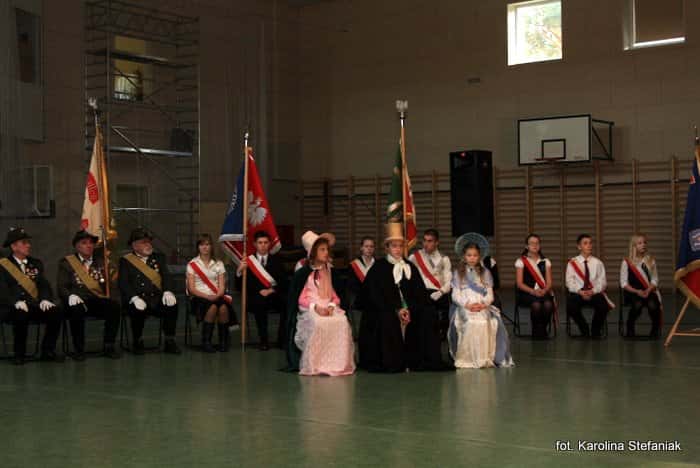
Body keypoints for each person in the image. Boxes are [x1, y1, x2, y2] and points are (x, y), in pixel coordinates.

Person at [358, 223, 447, 372]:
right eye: (394, 246)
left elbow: (418, 292)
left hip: (408, 307)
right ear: (387, 248)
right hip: (387, 308)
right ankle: (394, 360)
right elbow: (375, 295)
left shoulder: (409, 266)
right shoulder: (379, 267)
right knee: (386, 318)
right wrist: (397, 309)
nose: (398, 249)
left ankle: (418, 359)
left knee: (428, 314)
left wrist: (409, 308)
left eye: (400, 246)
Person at [288, 231, 355, 376]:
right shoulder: (304, 273)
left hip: (328, 306)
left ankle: (336, 363)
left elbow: (335, 296)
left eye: (327, 249)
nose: (326, 253)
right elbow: (300, 298)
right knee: (318, 322)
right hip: (310, 307)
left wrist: (331, 306)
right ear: (313, 252)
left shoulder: (329, 271)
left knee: (341, 321)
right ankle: (316, 363)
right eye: (322, 250)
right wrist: (315, 307)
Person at [0, 228, 63, 365]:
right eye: (24, 242)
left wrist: (45, 298)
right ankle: (19, 354)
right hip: (11, 307)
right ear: (13, 246)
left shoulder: (36, 263)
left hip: (33, 304)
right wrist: (15, 301)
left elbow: (43, 284)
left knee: (56, 312)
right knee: (20, 314)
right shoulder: (3, 265)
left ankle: (47, 351)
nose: (28, 245)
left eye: (28, 242)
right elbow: (2, 289)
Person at [56, 230, 121, 360]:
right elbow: (61, 287)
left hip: (95, 300)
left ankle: (109, 346)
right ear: (77, 246)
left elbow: (110, 285)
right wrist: (70, 295)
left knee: (114, 307)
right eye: (84, 243)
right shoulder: (67, 263)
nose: (89, 245)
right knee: (76, 310)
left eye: (91, 243)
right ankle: (79, 349)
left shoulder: (102, 262)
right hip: (77, 301)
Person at [449, 241, 514, 369]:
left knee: (483, 321)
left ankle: (483, 358)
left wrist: (483, 304)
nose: (472, 258)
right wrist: (467, 305)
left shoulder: (485, 273)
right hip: (465, 306)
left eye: (475, 255)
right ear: (464, 256)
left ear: (479, 257)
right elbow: (455, 295)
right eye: (469, 255)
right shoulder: (458, 273)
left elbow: (490, 295)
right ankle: (468, 358)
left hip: (481, 306)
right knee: (471, 322)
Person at [118, 227, 181, 354]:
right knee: (136, 310)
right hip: (138, 298)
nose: (148, 245)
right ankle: (137, 341)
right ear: (134, 246)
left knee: (172, 305)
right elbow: (123, 283)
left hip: (156, 298)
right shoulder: (126, 261)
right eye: (144, 242)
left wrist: (168, 291)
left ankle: (169, 340)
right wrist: (134, 298)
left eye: (149, 242)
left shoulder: (159, 258)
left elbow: (166, 276)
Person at [237, 230, 287, 351]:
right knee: (259, 303)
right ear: (255, 244)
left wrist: (271, 290)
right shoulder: (248, 261)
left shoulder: (277, 260)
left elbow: (284, 282)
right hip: (256, 297)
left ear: (269, 244)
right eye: (260, 242)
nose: (263, 245)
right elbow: (239, 286)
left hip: (274, 296)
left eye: (265, 242)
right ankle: (263, 340)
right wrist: (239, 271)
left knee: (287, 304)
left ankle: (282, 340)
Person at [187, 234, 236, 352]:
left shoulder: (219, 263)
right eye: (201, 244)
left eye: (207, 244)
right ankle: (206, 342)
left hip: (217, 295)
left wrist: (217, 295)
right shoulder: (192, 264)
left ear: (211, 246)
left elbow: (222, 287)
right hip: (198, 297)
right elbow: (192, 289)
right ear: (198, 247)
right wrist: (207, 296)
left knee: (223, 308)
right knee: (213, 307)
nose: (205, 247)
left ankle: (223, 341)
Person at [565, 234, 612, 338]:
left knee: (603, 306)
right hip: (578, 292)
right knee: (571, 306)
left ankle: (595, 330)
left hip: (594, 292)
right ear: (579, 247)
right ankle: (584, 328)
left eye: (590, 243)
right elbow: (569, 282)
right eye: (585, 243)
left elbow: (602, 282)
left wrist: (593, 291)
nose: (589, 245)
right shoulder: (572, 263)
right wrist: (580, 291)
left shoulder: (598, 263)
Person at [408, 229, 451, 341]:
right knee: (420, 331)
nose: (426, 244)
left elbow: (449, 281)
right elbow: (407, 278)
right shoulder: (414, 257)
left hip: (438, 296)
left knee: (437, 333)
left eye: (430, 241)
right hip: (421, 295)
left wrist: (441, 292)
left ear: (437, 242)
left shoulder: (444, 258)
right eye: (424, 240)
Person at [620, 234, 661, 338]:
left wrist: (649, 290)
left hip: (648, 291)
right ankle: (630, 327)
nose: (643, 245)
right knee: (637, 305)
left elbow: (655, 279)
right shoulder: (626, 262)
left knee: (653, 305)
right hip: (632, 292)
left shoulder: (650, 260)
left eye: (644, 242)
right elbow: (623, 283)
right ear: (633, 246)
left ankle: (655, 329)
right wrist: (637, 291)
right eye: (640, 243)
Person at [515, 233, 555, 339]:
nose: (535, 245)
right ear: (526, 246)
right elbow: (519, 284)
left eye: (537, 243)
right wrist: (533, 291)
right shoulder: (521, 261)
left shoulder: (545, 261)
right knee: (536, 305)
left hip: (543, 292)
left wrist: (544, 290)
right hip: (527, 293)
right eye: (532, 243)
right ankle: (537, 331)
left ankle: (540, 330)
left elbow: (549, 283)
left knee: (548, 305)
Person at [346, 236, 375, 334]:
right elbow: (352, 286)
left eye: (371, 246)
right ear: (361, 248)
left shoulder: (378, 264)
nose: (369, 249)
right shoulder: (354, 265)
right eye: (366, 246)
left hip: (375, 302)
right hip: (359, 302)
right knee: (360, 331)